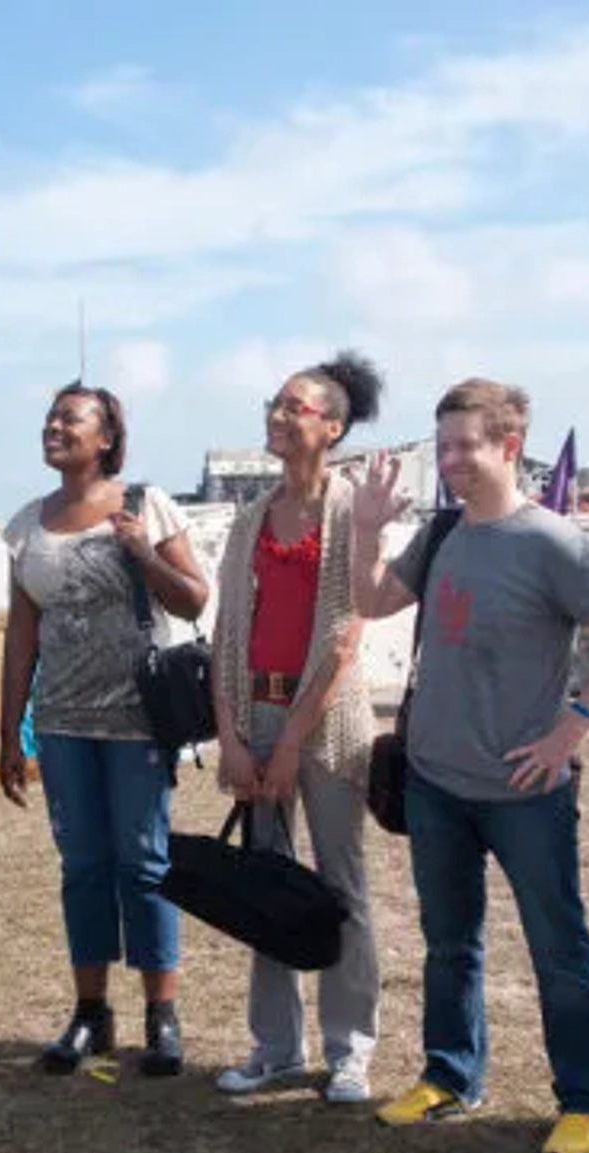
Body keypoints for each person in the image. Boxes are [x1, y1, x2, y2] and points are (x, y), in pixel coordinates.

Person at [351, 378, 589, 1153]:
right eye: (441, 444)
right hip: (436, 783)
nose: (449, 460)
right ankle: (450, 1074)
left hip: (526, 790)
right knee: (449, 941)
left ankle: (583, 1099)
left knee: (560, 947)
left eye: (466, 445)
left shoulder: (553, 541)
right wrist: (366, 529)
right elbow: (372, 599)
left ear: (509, 446)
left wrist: (570, 730)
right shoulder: (444, 531)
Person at [0, 382, 211, 1078]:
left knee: (143, 862)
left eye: (71, 419)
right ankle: (92, 1013)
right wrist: (10, 733)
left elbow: (195, 595)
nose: (53, 426)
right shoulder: (27, 524)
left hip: (136, 720)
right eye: (50, 416)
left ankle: (162, 1014)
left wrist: (144, 553)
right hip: (61, 723)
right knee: (82, 866)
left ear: (107, 438)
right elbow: (23, 636)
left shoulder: (144, 503)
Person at [209, 351, 384, 1105]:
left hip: (328, 721)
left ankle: (351, 1049)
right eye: (274, 405)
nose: (278, 417)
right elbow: (225, 633)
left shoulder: (349, 513)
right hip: (257, 711)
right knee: (264, 883)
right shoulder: (251, 518)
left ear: (332, 427)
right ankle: (277, 1044)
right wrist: (232, 731)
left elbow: (345, 633)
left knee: (341, 883)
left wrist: (289, 744)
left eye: (295, 407)